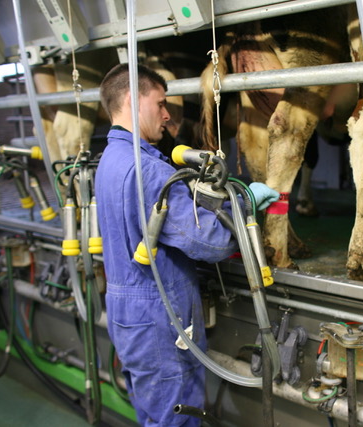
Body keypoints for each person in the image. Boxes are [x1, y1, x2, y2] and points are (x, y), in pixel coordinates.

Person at [95, 63, 279, 426]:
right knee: (177, 418)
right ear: (134, 99)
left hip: (128, 314)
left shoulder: (110, 160)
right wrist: (245, 204)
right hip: (158, 320)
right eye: (161, 103)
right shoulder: (149, 171)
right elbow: (208, 242)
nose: (167, 115)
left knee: (154, 415)